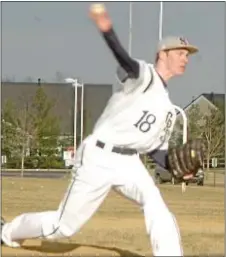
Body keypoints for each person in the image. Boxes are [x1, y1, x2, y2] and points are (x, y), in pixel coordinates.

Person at [1, 3, 206, 256]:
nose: (186, 58)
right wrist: (106, 29)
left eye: (187, 55)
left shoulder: (167, 107)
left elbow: (156, 151)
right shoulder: (145, 77)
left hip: (129, 163)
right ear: (163, 53)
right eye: (181, 52)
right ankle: (7, 231)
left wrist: (178, 170)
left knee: (155, 203)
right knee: (63, 227)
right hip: (98, 157)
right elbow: (125, 59)